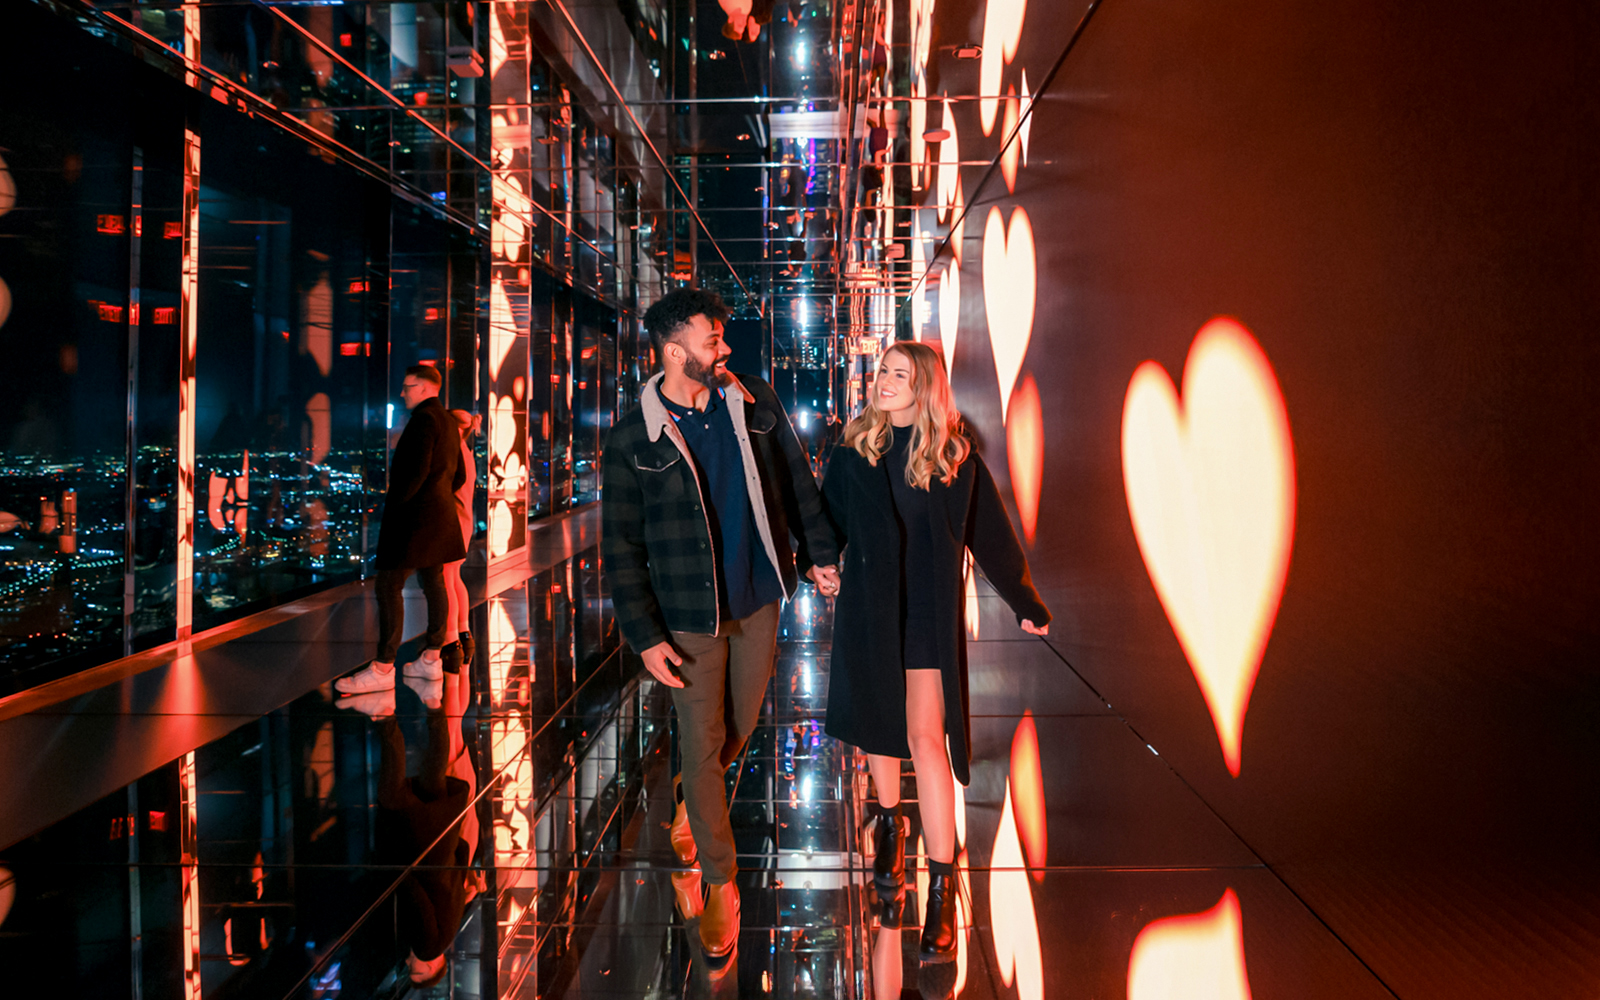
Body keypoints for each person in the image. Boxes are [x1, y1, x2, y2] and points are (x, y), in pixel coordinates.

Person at [601, 287, 839, 969]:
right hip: (687, 617)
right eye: (712, 340)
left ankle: (689, 806)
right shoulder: (633, 438)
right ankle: (721, 883)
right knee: (701, 745)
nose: (725, 349)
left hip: (759, 598)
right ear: (675, 352)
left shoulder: (752, 400)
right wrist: (645, 635)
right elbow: (621, 548)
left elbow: (796, 481)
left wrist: (819, 555)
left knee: (738, 726)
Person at [818, 342, 1050, 965]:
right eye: (882, 371)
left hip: (925, 615)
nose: (884, 381)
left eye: (899, 373)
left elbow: (990, 535)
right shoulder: (853, 450)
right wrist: (817, 563)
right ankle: (890, 825)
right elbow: (827, 521)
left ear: (924, 386)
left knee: (925, 739)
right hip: (870, 611)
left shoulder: (953, 457)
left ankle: (943, 886)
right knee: (878, 729)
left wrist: (1024, 600)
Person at [338, 365, 466, 695]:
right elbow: (460, 476)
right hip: (440, 518)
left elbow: (413, 474)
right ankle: (432, 659)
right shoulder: (448, 421)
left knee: (389, 585)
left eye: (407, 387)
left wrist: (394, 505)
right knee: (434, 582)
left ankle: (383, 667)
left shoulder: (423, 421)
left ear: (423, 388)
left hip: (413, 520)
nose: (402, 393)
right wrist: (437, 496)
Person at [443, 409, 481, 667]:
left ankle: (450, 641)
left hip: (453, 523)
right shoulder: (466, 451)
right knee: (455, 578)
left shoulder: (453, 451)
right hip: (464, 522)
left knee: (447, 580)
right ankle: (464, 632)